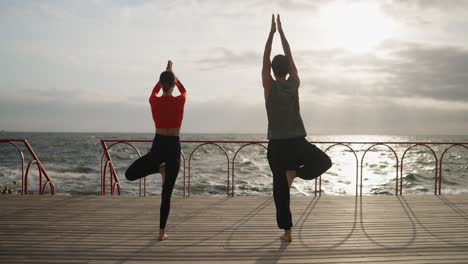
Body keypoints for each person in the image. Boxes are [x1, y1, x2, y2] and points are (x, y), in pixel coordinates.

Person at [262, 15, 332, 242]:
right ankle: (296, 174)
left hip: (278, 146)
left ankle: (288, 231)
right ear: (288, 69)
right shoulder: (294, 84)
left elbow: (264, 61)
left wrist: (271, 34)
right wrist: (281, 33)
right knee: (324, 162)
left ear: (272, 71)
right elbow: (290, 59)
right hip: (297, 143)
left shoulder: (269, 86)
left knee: (280, 192)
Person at [125, 60, 187, 241]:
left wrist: (165, 76)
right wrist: (174, 74)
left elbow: (154, 91)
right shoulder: (181, 99)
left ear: (161, 85)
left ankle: (159, 169)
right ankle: (161, 232)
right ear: (174, 85)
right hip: (173, 146)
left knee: (130, 174)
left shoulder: (153, 100)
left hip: (159, 145)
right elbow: (184, 90)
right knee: (166, 193)